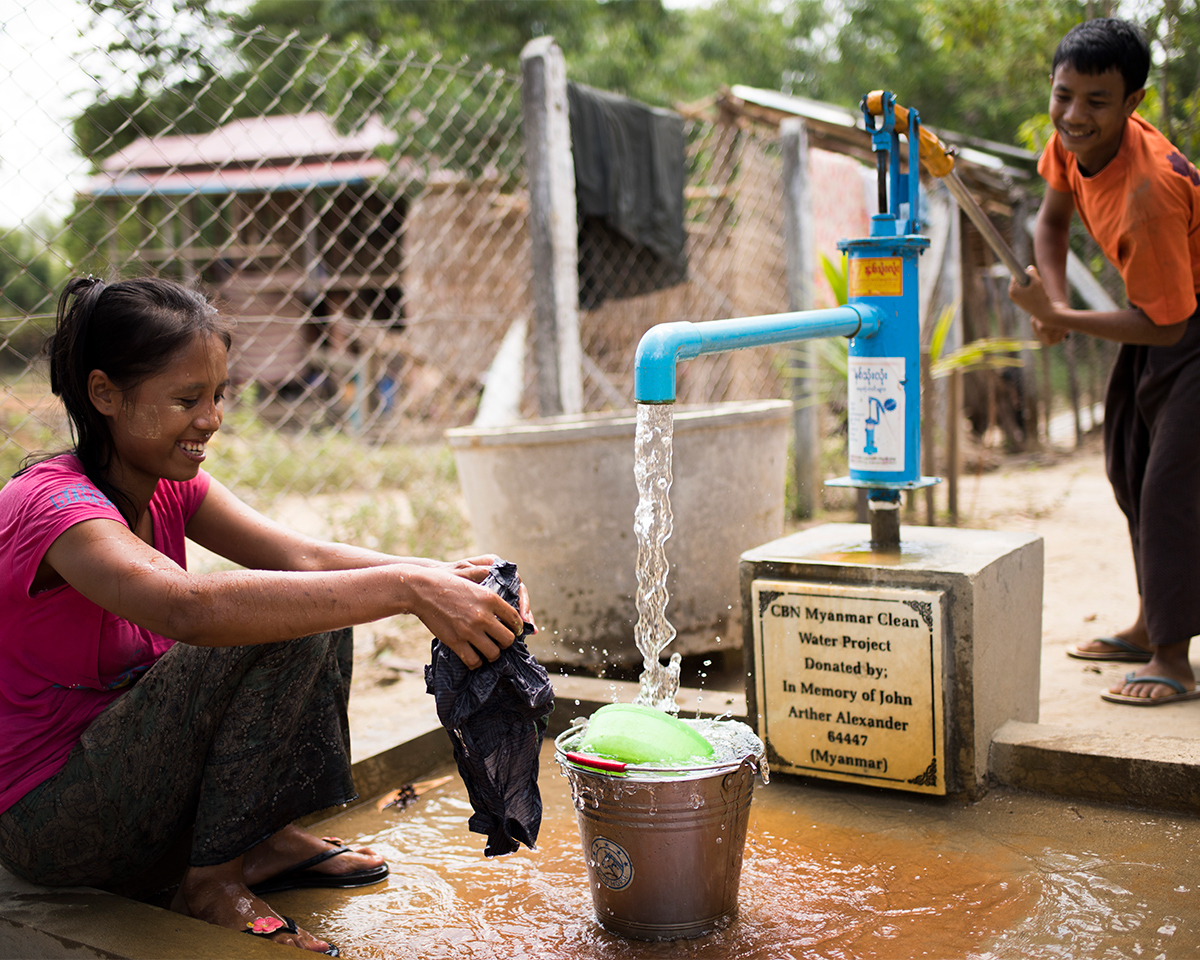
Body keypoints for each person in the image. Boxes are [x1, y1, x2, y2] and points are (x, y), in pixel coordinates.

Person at [0, 276, 535, 953]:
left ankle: (264, 843)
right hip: (52, 823)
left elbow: (304, 556)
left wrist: (443, 574)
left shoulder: (169, 483)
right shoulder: (54, 508)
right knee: (267, 620)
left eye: (218, 394)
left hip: (135, 780)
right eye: (187, 399)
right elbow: (190, 609)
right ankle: (213, 884)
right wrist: (406, 589)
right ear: (105, 393)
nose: (213, 418)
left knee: (309, 598)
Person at [1008, 17, 1200, 706]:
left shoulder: (1149, 193)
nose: (1074, 114)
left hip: (1183, 325)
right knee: (1128, 465)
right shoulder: (1069, 143)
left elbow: (1171, 325)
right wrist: (1051, 303)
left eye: (1096, 101)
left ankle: (1173, 660)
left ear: (1133, 103)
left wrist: (1059, 317)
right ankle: (1155, 622)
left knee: (1171, 488)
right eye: (1064, 96)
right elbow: (1051, 225)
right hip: (1163, 318)